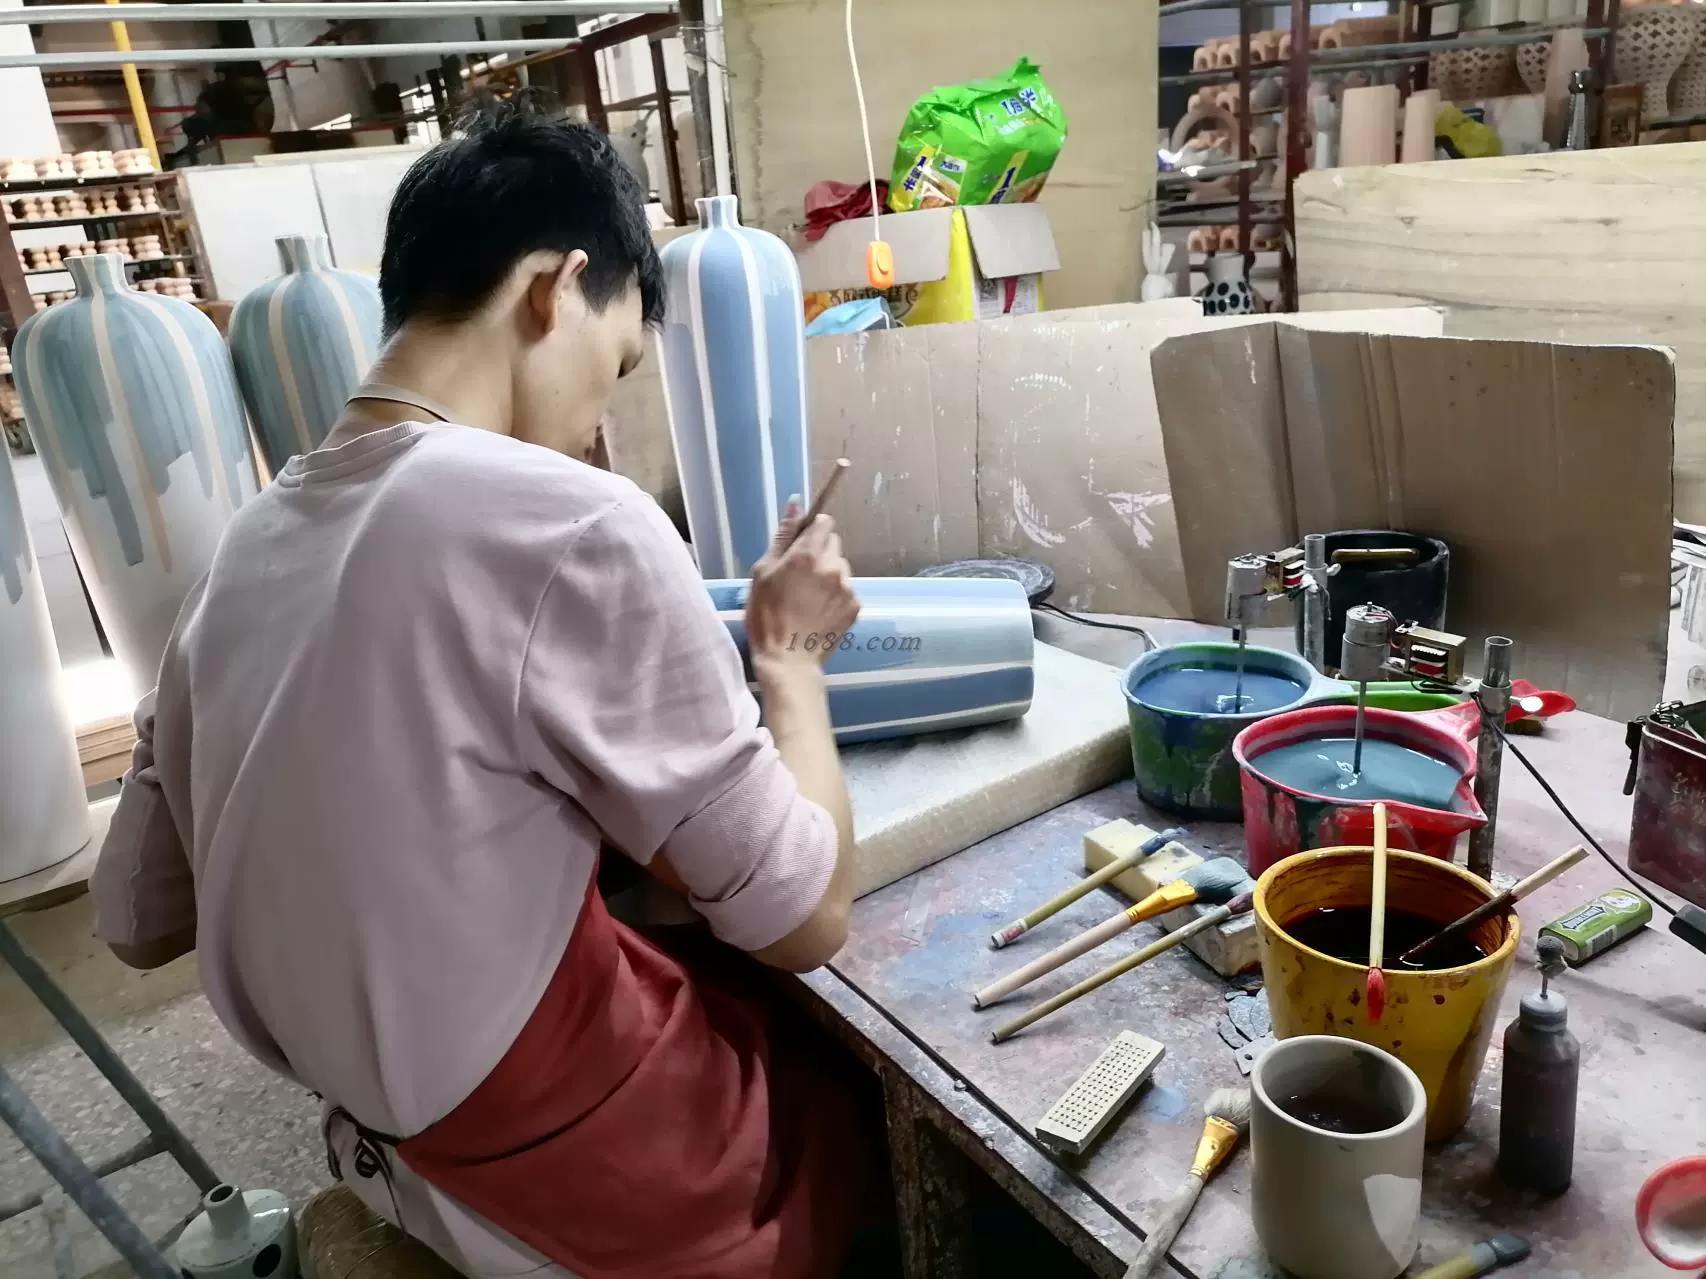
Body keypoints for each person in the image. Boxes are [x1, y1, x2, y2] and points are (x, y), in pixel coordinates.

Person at [91, 99, 876, 1278]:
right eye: (615, 369)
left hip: (384, 1144)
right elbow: (803, 914)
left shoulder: (240, 555)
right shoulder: (568, 518)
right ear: (556, 287)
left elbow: (134, 922)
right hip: (561, 1168)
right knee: (846, 1089)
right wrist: (789, 662)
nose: (596, 427)